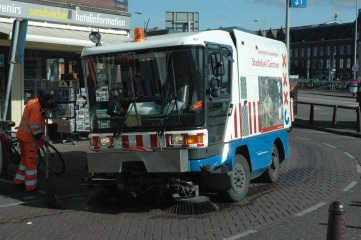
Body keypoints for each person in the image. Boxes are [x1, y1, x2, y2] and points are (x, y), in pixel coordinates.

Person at [13, 89, 52, 192]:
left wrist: (43, 115)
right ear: (41, 98)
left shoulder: (32, 102)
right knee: (31, 163)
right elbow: (35, 131)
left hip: (22, 136)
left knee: (24, 160)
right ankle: (30, 186)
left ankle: (18, 181)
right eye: (46, 99)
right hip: (29, 139)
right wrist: (44, 138)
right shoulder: (36, 108)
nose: (47, 102)